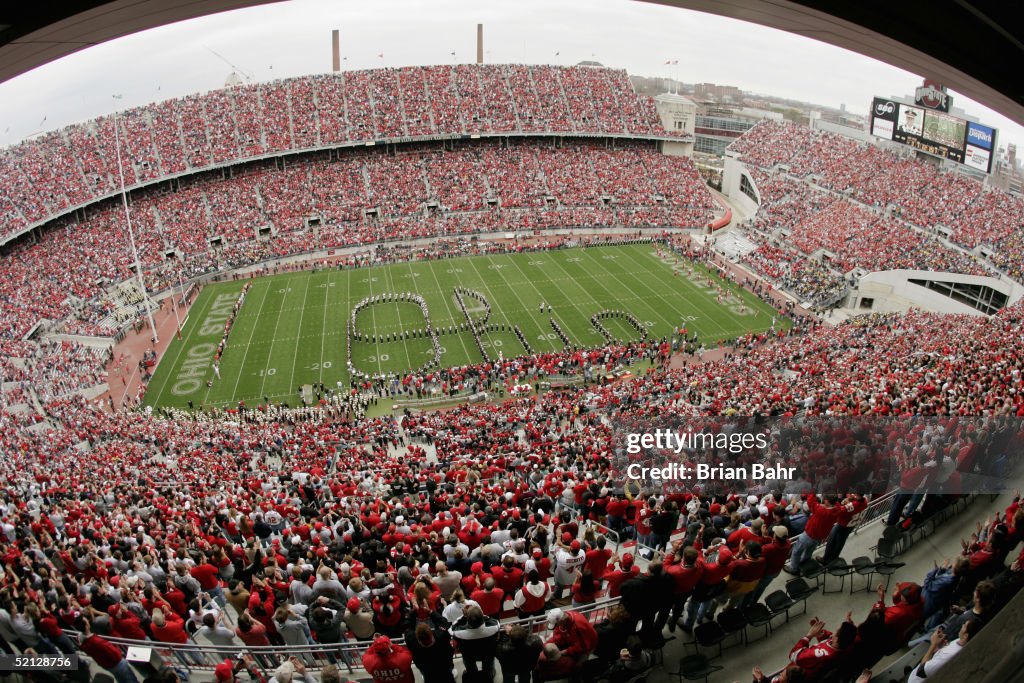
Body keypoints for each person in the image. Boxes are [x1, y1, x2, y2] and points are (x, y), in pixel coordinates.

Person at [906, 619, 982, 683]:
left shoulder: (950, 656)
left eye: (964, 626)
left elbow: (921, 671)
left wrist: (933, 645)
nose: (962, 625)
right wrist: (939, 647)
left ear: (966, 636)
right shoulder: (961, 641)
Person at [450, 604, 500, 682]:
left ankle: (472, 674)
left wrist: (463, 616)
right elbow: (494, 621)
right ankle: (489, 674)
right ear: (482, 617)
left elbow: (452, 628)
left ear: (468, 620)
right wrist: (479, 613)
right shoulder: (493, 628)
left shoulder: (459, 633)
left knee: (470, 667)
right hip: (487, 653)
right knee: (488, 666)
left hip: (469, 655)